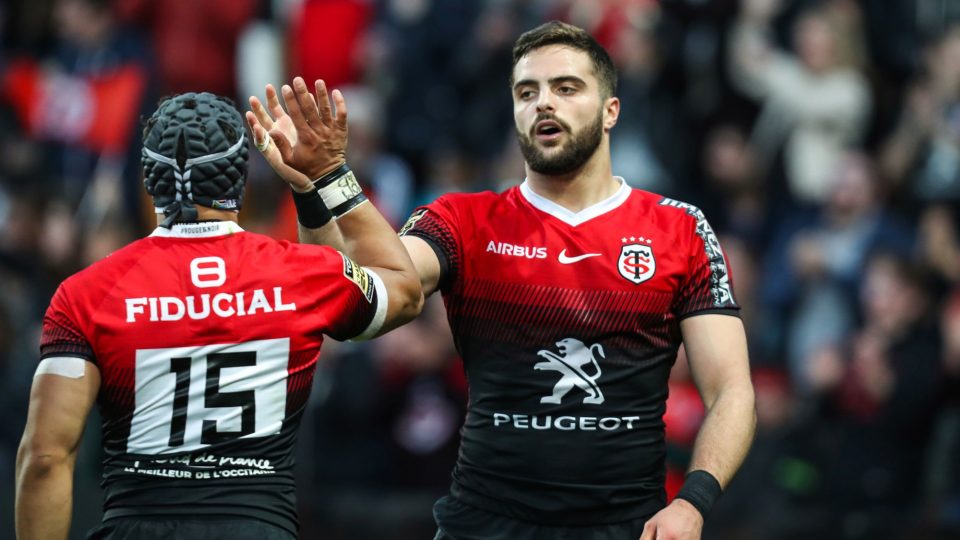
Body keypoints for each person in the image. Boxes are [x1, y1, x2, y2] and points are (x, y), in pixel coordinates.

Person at [253, 21, 756, 540]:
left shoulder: (680, 228)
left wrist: (693, 503)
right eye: (527, 92)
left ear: (611, 111)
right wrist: (317, 189)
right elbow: (360, 297)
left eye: (566, 88)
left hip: (626, 526)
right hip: (485, 526)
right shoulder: (463, 221)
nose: (543, 103)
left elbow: (732, 390)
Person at [15, 91, 423, 540]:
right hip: (257, 528)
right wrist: (324, 177)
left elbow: (46, 459)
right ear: (241, 179)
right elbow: (402, 291)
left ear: (148, 182)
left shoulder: (86, 293)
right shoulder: (301, 275)